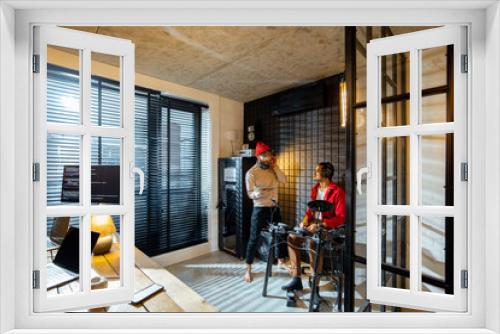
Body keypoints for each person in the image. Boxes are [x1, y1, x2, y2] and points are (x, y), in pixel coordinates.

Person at [281, 162, 345, 294]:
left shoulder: (338, 192)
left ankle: (315, 286)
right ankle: (296, 278)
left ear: (325, 174)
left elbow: (341, 218)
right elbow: (310, 211)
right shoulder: (315, 189)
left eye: (316, 171)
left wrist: (320, 225)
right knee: (292, 237)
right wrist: (304, 221)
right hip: (312, 224)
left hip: (327, 227)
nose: (313, 173)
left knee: (313, 242)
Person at [244, 141, 287, 283]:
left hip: (274, 207)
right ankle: (248, 269)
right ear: (259, 157)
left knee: (280, 233)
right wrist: (258, 193)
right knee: (254, 237)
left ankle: (281, 261)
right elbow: (250, 194)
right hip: (260, 208)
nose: (269, 158)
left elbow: (284, 180)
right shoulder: (251, 173)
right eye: (266, 156)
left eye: (270, 155)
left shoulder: (272, 169)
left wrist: (275, 167)